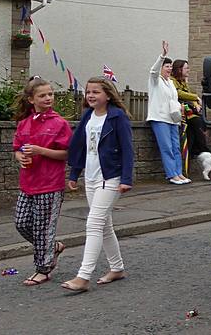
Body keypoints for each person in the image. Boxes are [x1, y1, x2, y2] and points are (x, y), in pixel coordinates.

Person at [61, 77, 134, 292]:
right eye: (88, 92)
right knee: (104, 225)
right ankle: (117, 268)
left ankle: (83, 277)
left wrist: (126, 179)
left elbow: (128, 149)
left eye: (96, 92)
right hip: (91, 177)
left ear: (108, 95)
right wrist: (75, 173)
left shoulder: (117, 117)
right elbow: (81, 148)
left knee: (94, 223)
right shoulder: (88, 117)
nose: (91, 95)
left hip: (110, 177)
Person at [12, 78, 71, 286]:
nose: (48, 98)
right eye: (42, 95)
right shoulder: (24, 123)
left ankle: (43, 269)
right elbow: (17, 149)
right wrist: (22, 158)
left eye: (51, 94)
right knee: (21, 223)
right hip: (28, 182)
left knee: (43, 227)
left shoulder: (59, 123)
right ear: (31, 99)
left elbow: (66, 154)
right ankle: (52, 247)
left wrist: (40, 151)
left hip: (50, 183)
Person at [147, 41, 188, 185]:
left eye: (171, 66)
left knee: (176, 147)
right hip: (159, 118)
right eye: (166, 66)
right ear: (162, 67)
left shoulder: (171, 83)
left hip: (173, 119)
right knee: (167, 147)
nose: (169, 68)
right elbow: (153, 71)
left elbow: (173, 99)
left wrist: (180, 108)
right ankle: (171, 174)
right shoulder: (155, 80)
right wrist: (163, 55)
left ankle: (179, 173)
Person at [171, 59, 211, 175]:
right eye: (186, 68)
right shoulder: (172, 81)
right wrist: (195, 97)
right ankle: (204, 150)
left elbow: (189, 96)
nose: (188, 70)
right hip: (183, 114)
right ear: (179, 69)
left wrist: (196, 104)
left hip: (189, 114)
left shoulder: (184, 81)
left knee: (192, 137)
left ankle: (194, 155)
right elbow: (178, 93)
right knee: (198, 123)